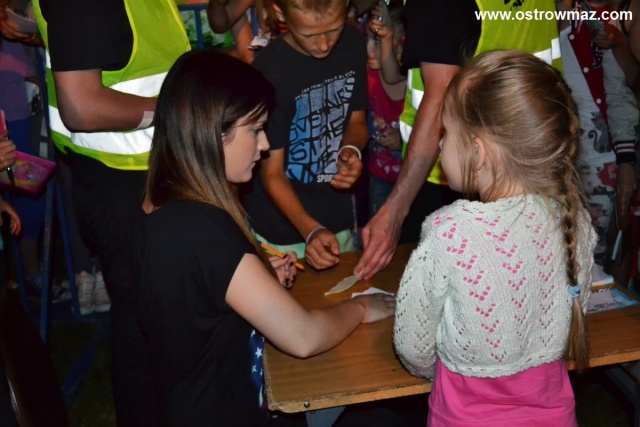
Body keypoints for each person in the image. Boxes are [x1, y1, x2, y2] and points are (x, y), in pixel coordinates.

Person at [133, 49, 394, 426]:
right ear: (212, 130)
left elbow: (199, 295)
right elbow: (303, 337)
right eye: (254, 129)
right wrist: (363, 308)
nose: (264, 144)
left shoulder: (160, 205)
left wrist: (256, 277)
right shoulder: (203, 228)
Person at [394, 50, 597, 426]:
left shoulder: (450, 233)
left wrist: (438, 369)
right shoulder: (577, 222)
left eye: (446, 132)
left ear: (479, 152)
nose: (440, 143)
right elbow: (573, 312)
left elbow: (413, 346)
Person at [32, 0, 190, 423]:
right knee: (145, 336)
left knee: (165, 328)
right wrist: (178, 110)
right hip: (124, 188)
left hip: (156, 173)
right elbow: (82, 107)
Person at [354, 0, 563, 279]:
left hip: (455, 177)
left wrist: (394, 211)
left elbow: (440, 92)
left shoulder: (449, 232)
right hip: (539, 153)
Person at [242, 0, 369, 271]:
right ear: (280, 13)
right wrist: (310, 230)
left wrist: (351, 150)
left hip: (335, 217)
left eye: (333, 30)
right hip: (280, 230)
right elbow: (271, 172)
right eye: (309, 34)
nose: (323, 45)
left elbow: (357, 120)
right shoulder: (268, 72)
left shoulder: (352, 44)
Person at [557, 0, 639, 286]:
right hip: (552, 153)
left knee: (594, 256)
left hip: (599, 158)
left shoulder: (605, 20)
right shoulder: (540, 16)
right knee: (556, 250)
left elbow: (622, 93)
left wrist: (626, 160)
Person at [365, 2, 405, 216]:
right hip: (379, 175)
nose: (368, 49)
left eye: (378, 42)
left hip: (411, 179)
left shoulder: (414, 81)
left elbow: (392, 76)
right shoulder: (368, 75)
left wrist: (404, 137)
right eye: (368, 39)